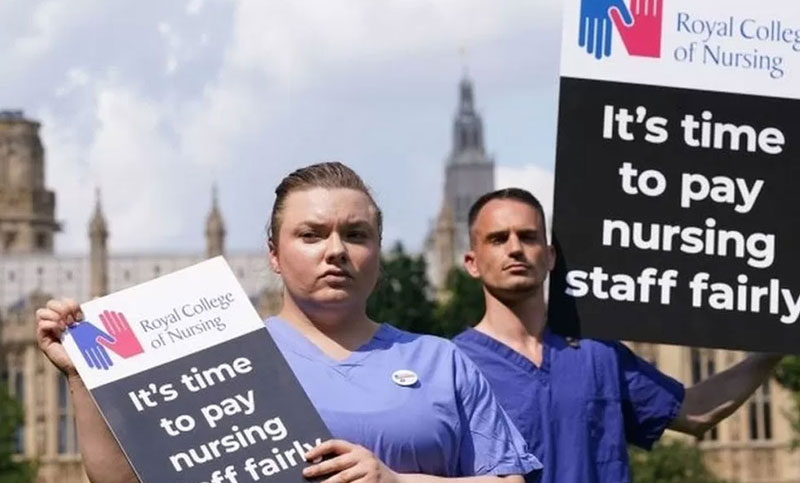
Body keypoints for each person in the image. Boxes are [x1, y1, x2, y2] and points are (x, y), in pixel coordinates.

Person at [35, 163, 541, 483]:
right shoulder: (222, 358)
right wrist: (81, 374)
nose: (336, 251)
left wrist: (394, 481)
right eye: (311, 235)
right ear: (274, 255)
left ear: (379, 253)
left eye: (356, 234)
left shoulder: (440, 362)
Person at [451, 187, 782, 483]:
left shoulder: (598, 353)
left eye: (528, 237)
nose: (515, 248)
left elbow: (696, 411)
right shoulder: (453, 367)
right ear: (472, 262)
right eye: (498, 239)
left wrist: (780, 343)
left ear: (550, 256)